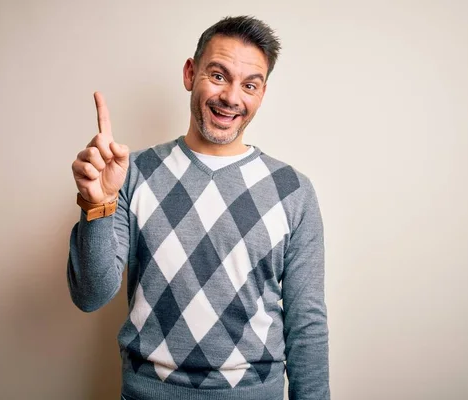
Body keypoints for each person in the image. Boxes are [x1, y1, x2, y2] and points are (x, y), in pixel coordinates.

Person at [68, 15, 329, 400]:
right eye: (219, 75)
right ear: (190, 73)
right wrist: (96, 205)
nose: (231, 97)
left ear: (262, 93)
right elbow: (90, 296)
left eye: (249, 85)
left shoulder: (293, 191)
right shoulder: (131, 174)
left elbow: (306, 325)